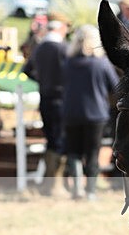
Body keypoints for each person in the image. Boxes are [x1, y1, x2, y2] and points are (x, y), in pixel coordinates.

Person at [62, 24, 119, 199]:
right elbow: (116, 86)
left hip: (71, 112)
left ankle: (77, 187)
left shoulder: (68, 63)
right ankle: (91, 191)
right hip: (96, 114)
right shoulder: (101, 64)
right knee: (92, 153)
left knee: (73, 151)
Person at [23, 12, 70, 194]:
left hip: (45, 98)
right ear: (60, 27)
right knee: (60, 139)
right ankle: (55, 185)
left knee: (51, 138)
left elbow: (27, 70)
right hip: (61, 99)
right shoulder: (63, 49)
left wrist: (43, 80)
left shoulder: (40, 47)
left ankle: (49, 183)